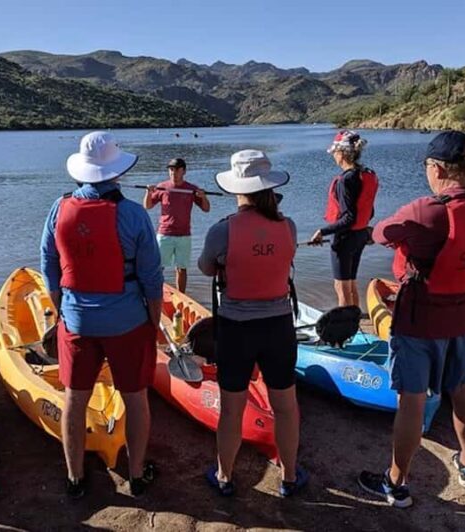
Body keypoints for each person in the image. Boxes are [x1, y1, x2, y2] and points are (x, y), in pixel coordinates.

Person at [358, 131, 465, 508]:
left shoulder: (427, 209)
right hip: (463, 319)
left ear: (437, 168)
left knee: (411, 402)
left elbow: (379, 233)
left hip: (420, 321)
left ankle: (396, 484)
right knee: (463, 390)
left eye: (427, 166)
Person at [41, 131, 164, 499]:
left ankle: (75, 477)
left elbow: (49, 269)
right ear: (117, 171)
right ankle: (138, 474)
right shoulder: (133, 214)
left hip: (77, 321)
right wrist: (153, 324)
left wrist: (63, 310)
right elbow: (152, 280)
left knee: (75, 400)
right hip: (127, 322)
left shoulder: (58, 209)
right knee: (135, 397)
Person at [198, 149, 307, 498]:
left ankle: (224, 476)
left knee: (232, 408)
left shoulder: (223, 230)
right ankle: (289, 476)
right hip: (278, 327)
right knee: (286, 405)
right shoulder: (287, 226)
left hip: (236, 328)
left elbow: (205, 268)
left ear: (236, 188)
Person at [310, 130, 378, 307]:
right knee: (351, 283)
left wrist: (322, 232)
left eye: (334, 152)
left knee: (341, 287)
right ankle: (354, 325)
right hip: (360, 236)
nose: (333, 156)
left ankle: (346, 329)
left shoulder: (345, 181)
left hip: (344, 239)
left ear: (341, 153)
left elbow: (348, 217)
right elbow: (368, 212)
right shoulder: (367, 174)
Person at [143, 158, 210, 293]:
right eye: (171, 169)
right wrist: (148, 193)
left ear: (183, 171)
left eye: (177, 169)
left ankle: (182, 296)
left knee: (181, 268)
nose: (173, 172)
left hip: (184, 235)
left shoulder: (191, 189)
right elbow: (147, 206)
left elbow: (206, 209)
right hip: (165, 234)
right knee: (158, 267)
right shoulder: (162, 187)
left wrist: (203, 197)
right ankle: (156, 294)